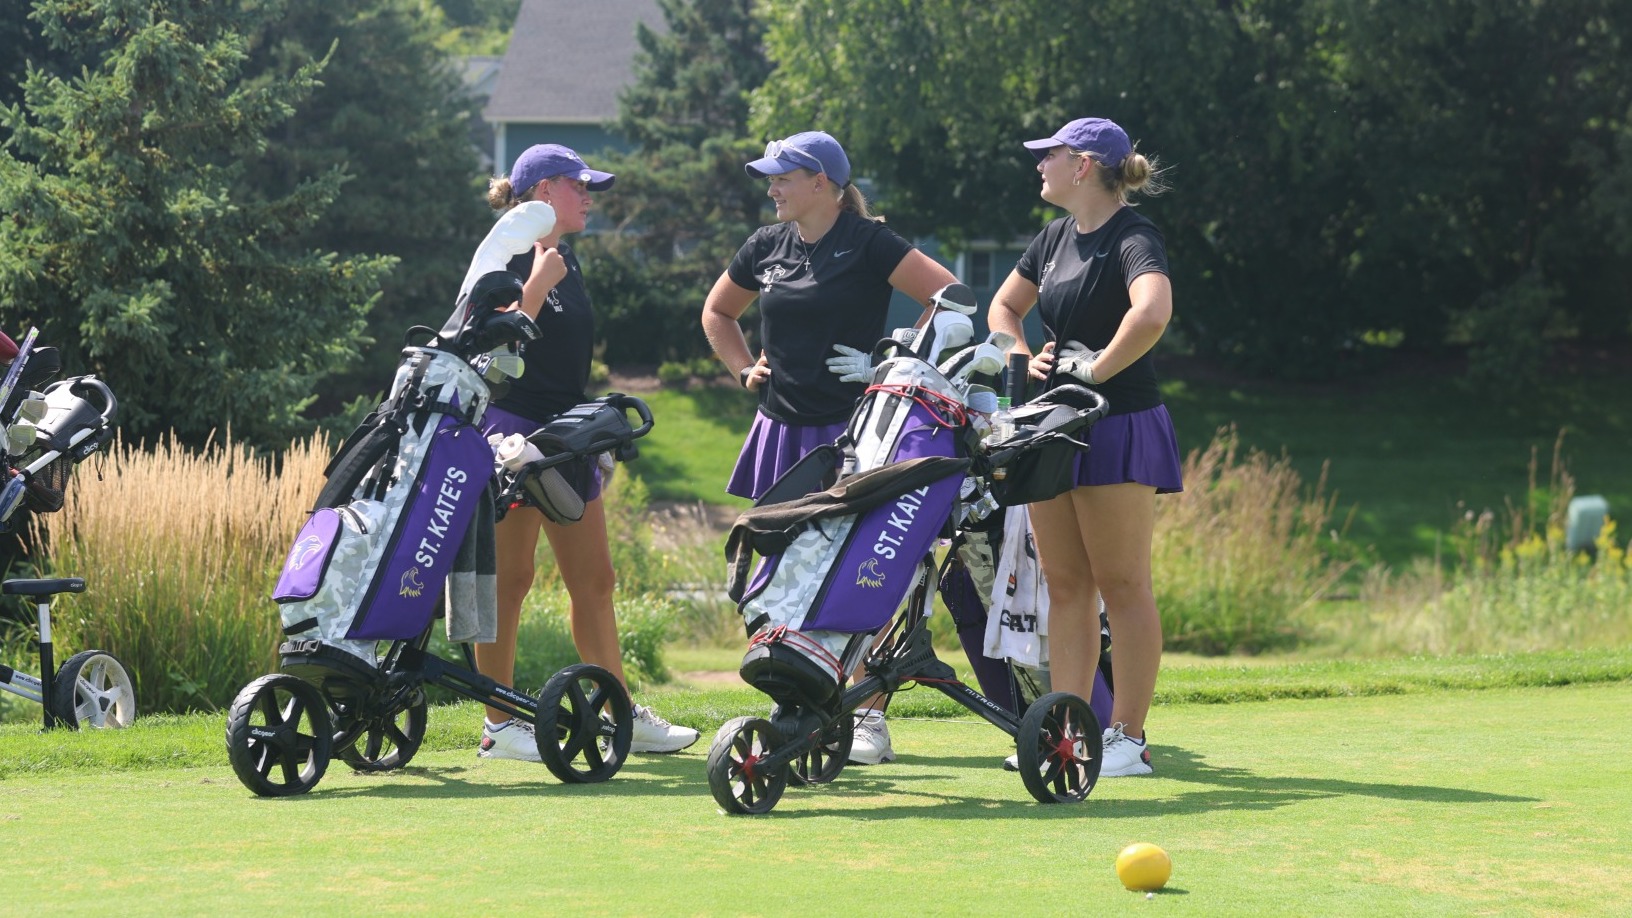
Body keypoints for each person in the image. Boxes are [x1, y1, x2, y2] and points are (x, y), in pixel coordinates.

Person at [701, 131, 962, 765]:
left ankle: (867, 713)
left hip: (859, 433)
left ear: (821, 183)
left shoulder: (870, 241)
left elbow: (952, 299)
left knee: (862, 569)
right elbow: (718, 312)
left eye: (782, 177)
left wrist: (890, 360)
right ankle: (799, 701)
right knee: (783, 573)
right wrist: (744, 368)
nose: (772, 188)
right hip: (783, 432)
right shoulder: (766, 244)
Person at [474, 143, 697, 760]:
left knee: (595, 580)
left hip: (565, 437)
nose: (589, 197)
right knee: (510, 581)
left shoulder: (564, 256)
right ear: (545, 191)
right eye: (580, 186)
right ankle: (499, 726)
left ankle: (615, 711)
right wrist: (536, 286)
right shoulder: (505, 254)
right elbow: (491, 349)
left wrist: (590, 433)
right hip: (511, 437)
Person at [986, 117, 1181, 777]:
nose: (1039, 164)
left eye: (1051, 154)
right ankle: (1066, 731)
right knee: (1066, 587)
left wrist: (1095, 369)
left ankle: (1128, 738)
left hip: (1118, 425)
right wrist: (1020, 354)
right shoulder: (1053, 237)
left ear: (1084, 165)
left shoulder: (1134, 236)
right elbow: (1003, 309)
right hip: (1056, 426)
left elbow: (1151, 313)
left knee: (1122, 584)